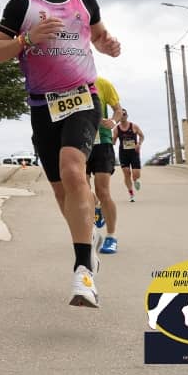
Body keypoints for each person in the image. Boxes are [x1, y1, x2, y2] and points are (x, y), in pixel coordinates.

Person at [0, 0, 120, 308]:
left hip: (83, 98)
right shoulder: (21, 6)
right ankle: (87, 243)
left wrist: (108, 45)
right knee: (64, 194)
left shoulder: (85, 2)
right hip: (42, 107)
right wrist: (26, 38)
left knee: (74, 170)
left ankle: (83, 270)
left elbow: (98, 36)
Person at [87, 76, 121, 256]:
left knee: (103, 191)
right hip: (79, 143)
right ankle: (96, 209)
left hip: (102, 143)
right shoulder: (67, 84)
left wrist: (113, 121)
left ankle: (111, 236)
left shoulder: (103, 83)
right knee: (82, 191)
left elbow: (118, 110)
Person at [115, 109, 145, 200]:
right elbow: (113, 140)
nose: (122, 116)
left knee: (136, 174)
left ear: (127, 116)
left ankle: (135, 180)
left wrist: (139, 144)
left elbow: (142, 136)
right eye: (121, 115)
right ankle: (131, 193)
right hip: (123, 153)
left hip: (134, 153)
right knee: (126, 173)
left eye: (124, 114)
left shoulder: (134, 126)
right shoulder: (116, 129)